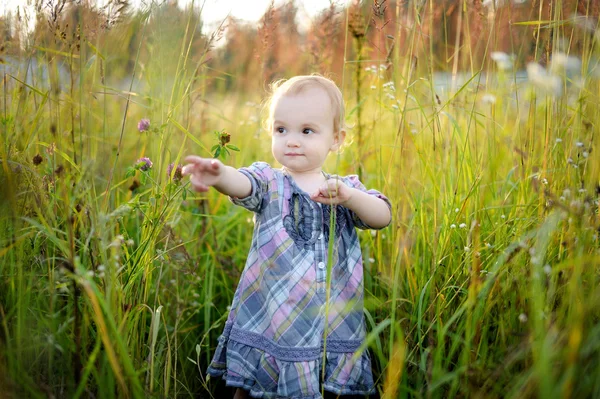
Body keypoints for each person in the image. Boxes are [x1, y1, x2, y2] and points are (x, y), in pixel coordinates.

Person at [183, 75, 392, 399]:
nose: (292, 140)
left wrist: (350, 197)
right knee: (251, 388)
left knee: (327, 386)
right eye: (281, 129)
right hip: (273, 317)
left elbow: (382, 216)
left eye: (307, 131)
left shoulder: (344, 188)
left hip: (331, 320)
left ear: (336, 139)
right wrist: (220, 174)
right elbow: (243, 184)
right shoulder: (270, 182)